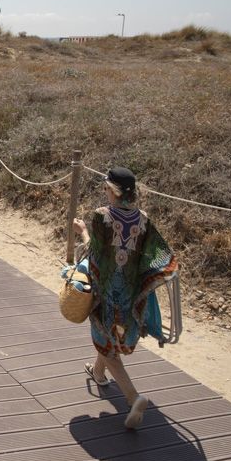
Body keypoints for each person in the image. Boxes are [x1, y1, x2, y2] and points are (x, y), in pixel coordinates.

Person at [71, 167, 177, 429]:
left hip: (106, 295)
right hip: (130, 296)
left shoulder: (102, 217)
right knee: (107, 338)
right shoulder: (144, 220)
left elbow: (93, 254)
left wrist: (82, 231)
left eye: (106, 187)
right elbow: (159, 256)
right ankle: (98, 374)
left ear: (114, 191)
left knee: (103, 340)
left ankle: (133, 397)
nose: (104, 191)